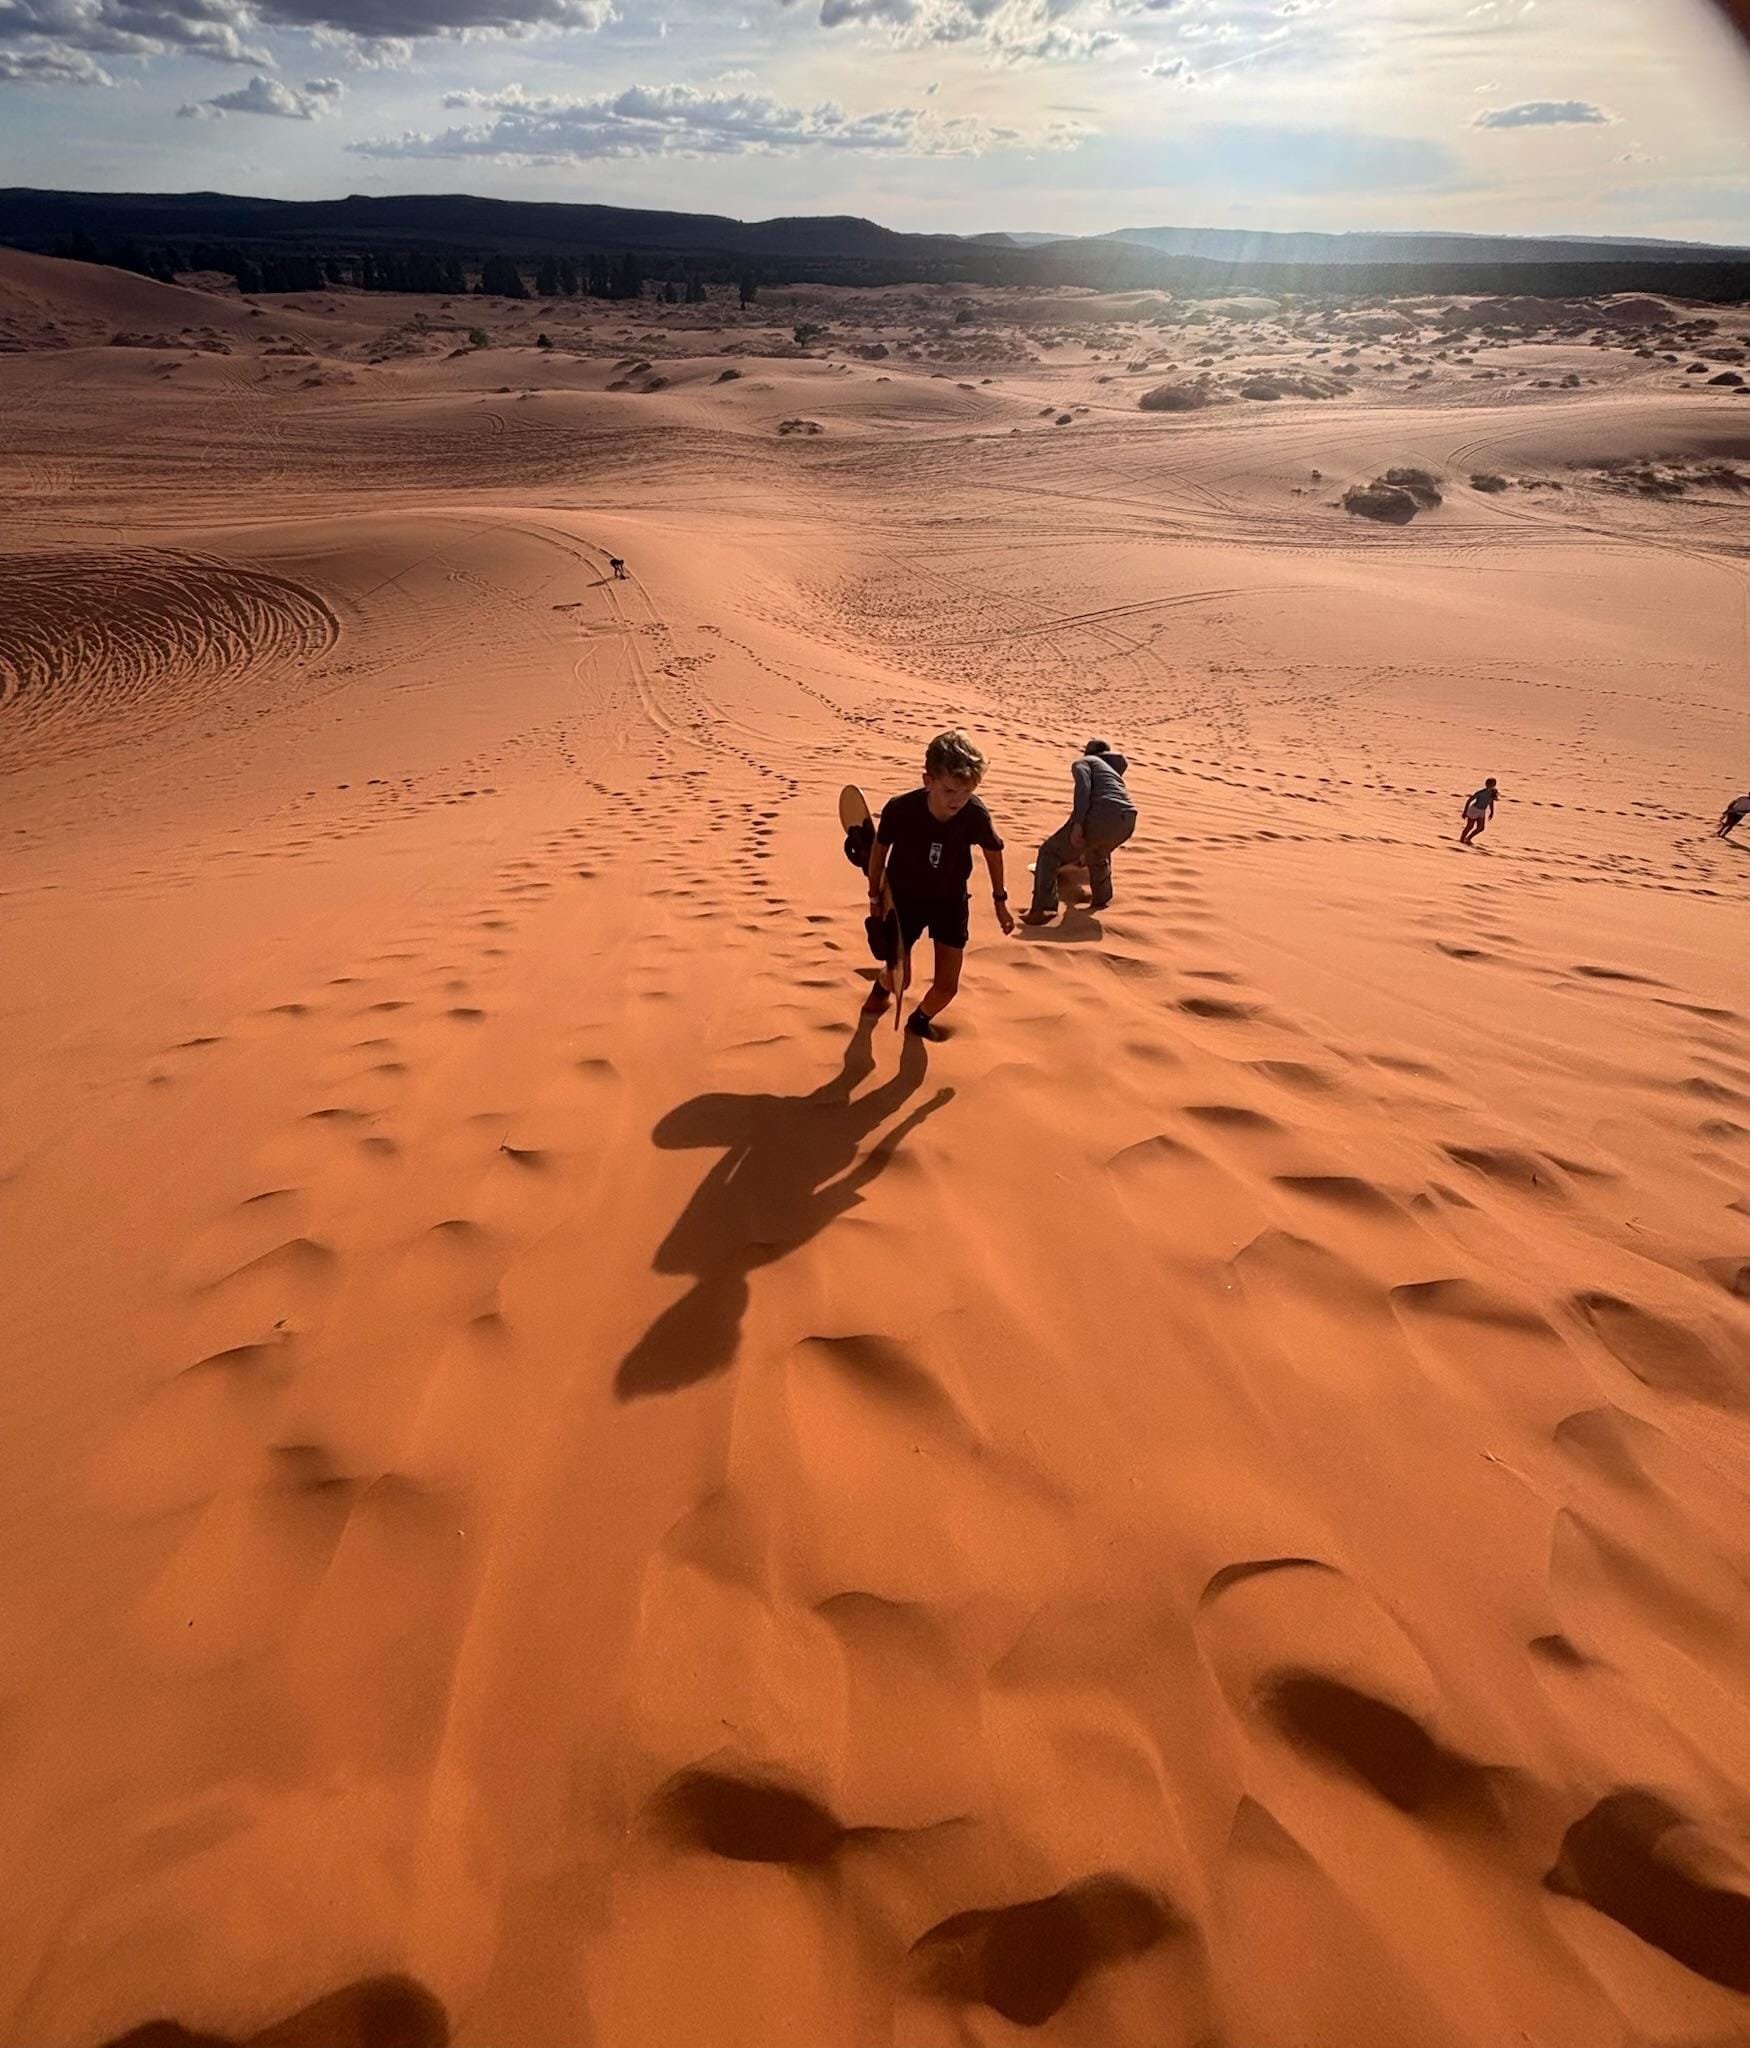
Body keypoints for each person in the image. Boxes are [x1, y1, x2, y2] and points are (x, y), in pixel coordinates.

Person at [865, 729, 1013, 1040]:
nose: (958, 799)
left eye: (967, 791)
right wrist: (875, 899)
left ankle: (919, 1020)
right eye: (949, 790)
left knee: (947, 988)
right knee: (900, 980)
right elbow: (878, 851)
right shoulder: (900, 809)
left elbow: (993, 852)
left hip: (949, 901)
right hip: (903, 900)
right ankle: (881, 986)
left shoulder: (974, 814)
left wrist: (1000, 901)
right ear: (928, 780)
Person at [1022, 739, 1137, 924]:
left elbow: (1083, 789)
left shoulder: (1085, 762)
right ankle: (1101, 899)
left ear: (1088, 753)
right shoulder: (1112, 772)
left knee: (1049, 852)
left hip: (1103, 816)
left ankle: (1044, 909)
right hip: (1128, 820)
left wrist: (1078, 824)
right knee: (1097, 853)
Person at [1459, 775, 1499, 846]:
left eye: (1492, 784)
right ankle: (1462, 839)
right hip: (1474, 810)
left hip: (1482, 811)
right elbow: (1469, 800)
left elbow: (1491, 802)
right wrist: (1465, 812)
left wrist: (1492, 812)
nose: (1490, 785)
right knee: (1470, 826)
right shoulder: (1481, 792)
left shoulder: (1493, 793)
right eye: (1489, 784)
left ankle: (1468, 838)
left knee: (1481, 828)